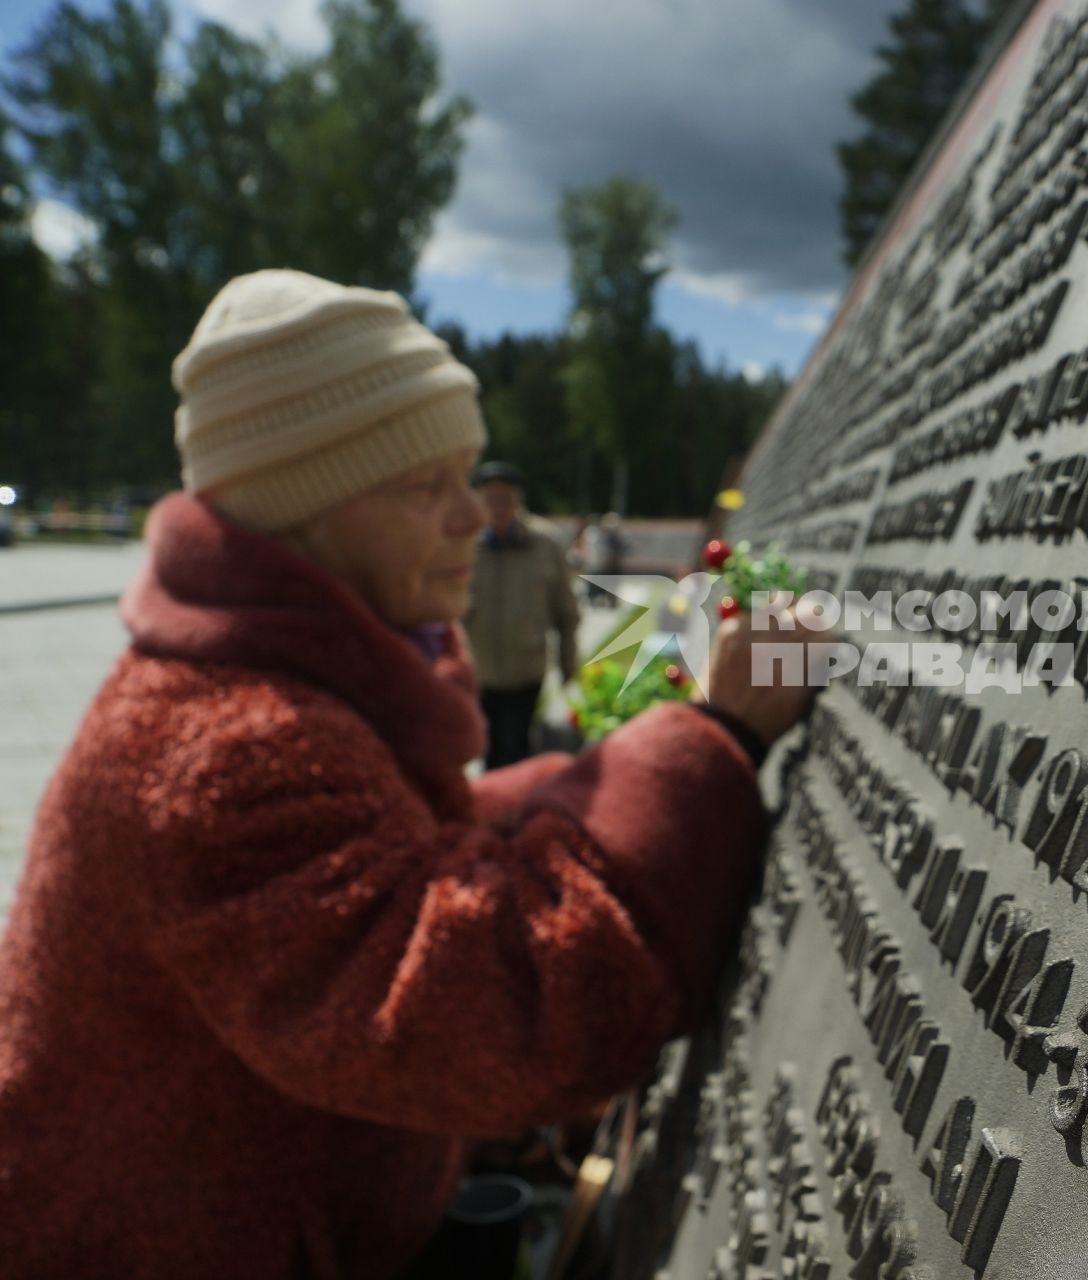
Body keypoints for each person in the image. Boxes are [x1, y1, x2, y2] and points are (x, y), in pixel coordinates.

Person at [0, 269, 820, 1279]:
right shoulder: (223, 752)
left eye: (466, 476)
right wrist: (717, 738)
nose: (474, 516)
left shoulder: (273, 687)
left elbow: (404, 854)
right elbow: (498, 1016)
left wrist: (630, 751)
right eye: (421, 485)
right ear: (300, 517)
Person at [465, 460, 578, 769]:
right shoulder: (462, 543)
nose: (498, 507)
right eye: (490, 498)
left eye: (505, 498)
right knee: (487, 749)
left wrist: (569, 666)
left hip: (525, 671)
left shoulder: (546, 544)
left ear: (519, 500)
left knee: (516, 747)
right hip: (479, 672)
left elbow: (566, 612)